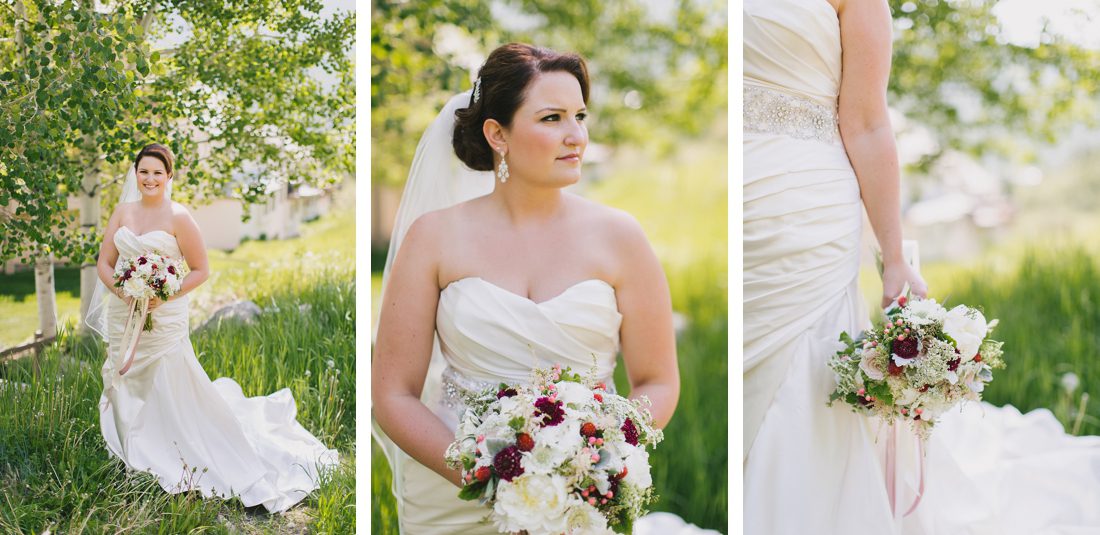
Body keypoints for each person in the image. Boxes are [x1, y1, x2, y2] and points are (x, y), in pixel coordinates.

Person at [744, 1, 1100, 533]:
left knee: (804, 375)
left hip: (803, 211)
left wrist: (893, 258)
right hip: (743, 192)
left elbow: (865, 124)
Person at [371, 43, 690, 534]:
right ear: (497, 134)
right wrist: (487, 475)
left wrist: (599, 456)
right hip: (450, 489)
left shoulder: (620, 237)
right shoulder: (433, 237)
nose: (576, 136)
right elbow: (393, 394)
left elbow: (658, 380)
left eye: (580, 116)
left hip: (581, 494)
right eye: (552, 118)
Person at [85, 143, 338, 513]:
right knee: (125, 378)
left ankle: (174, 450)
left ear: (169, 176)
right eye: (144, 171)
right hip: (123, 312)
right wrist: (124, 291)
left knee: (169, 382)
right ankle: (133, 449)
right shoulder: (122, 211)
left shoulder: (179, 217)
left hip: (164, 316)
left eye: (158, 172)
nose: (150, 178)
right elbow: (104, 263)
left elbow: (201, 270)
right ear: (135, 174)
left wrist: (161, 295)